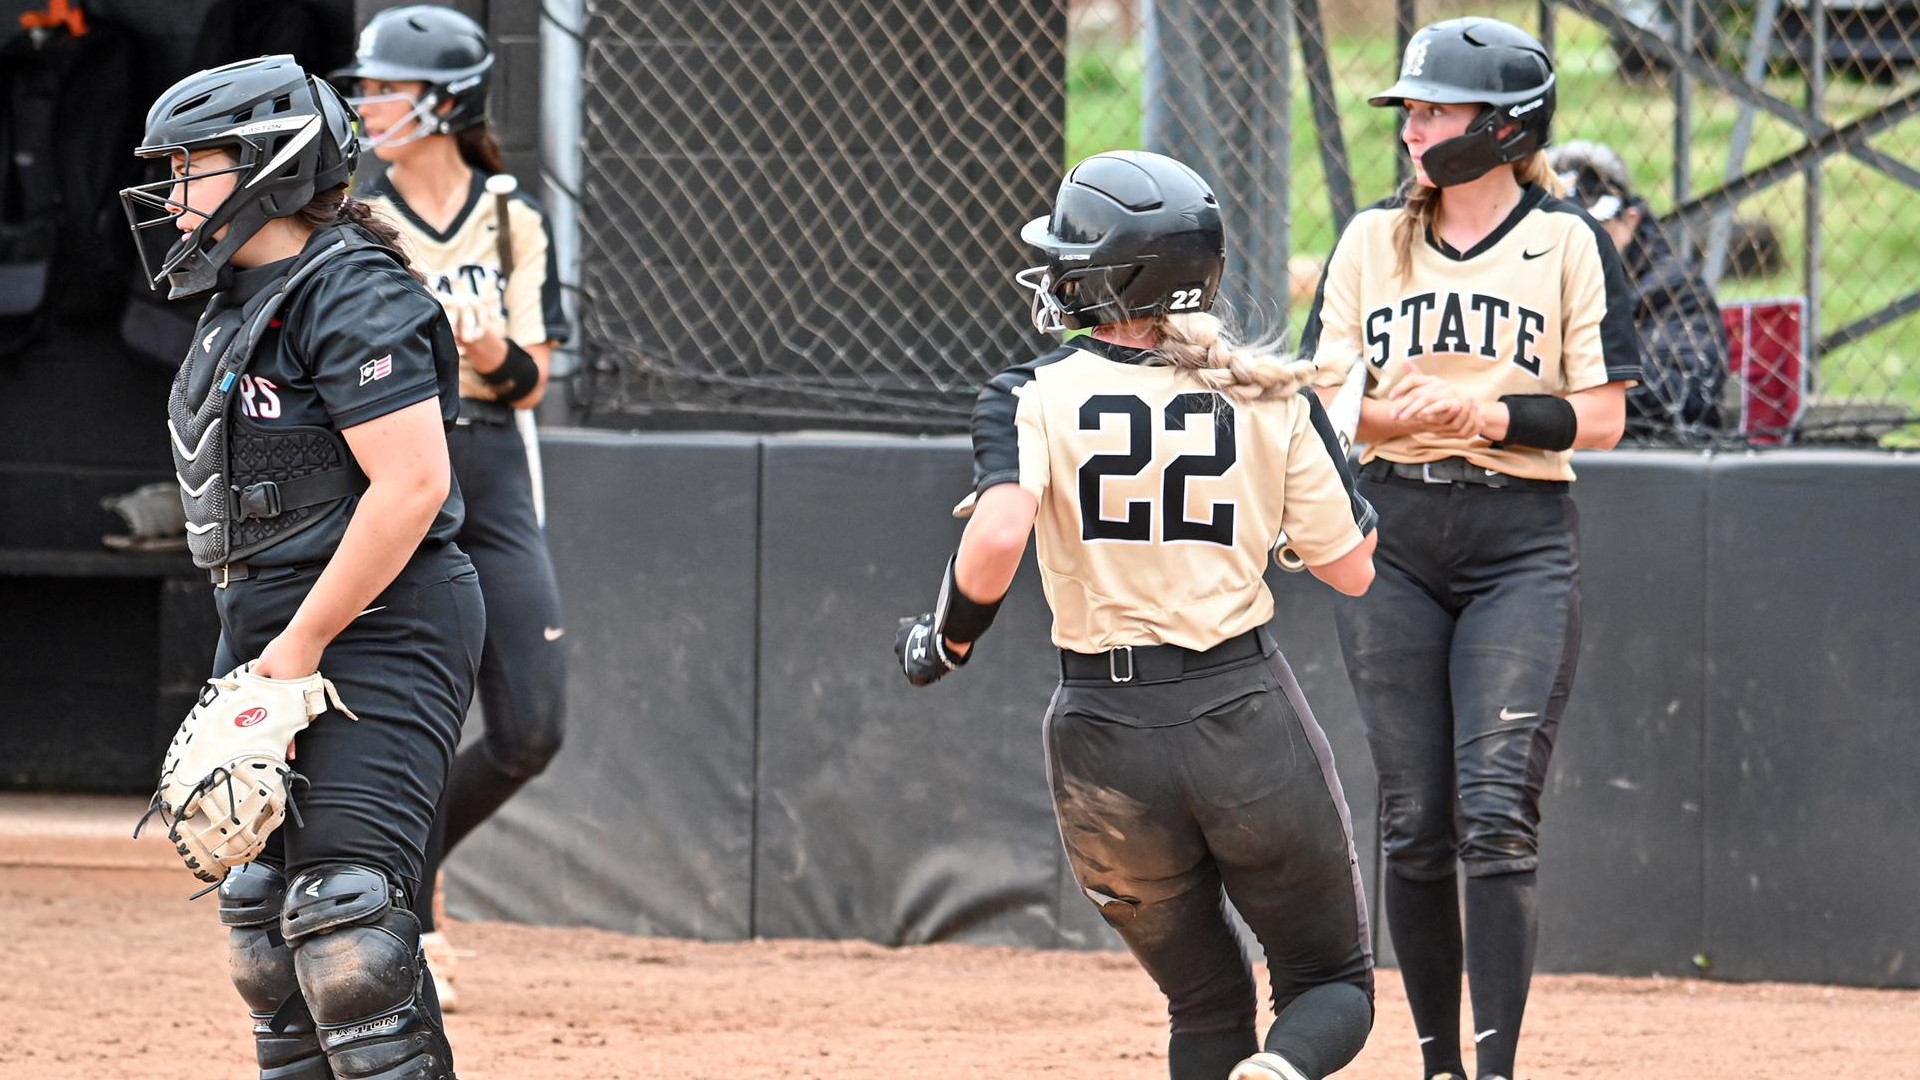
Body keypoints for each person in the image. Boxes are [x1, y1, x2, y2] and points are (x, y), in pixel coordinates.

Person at [895, 150, 1380, 1080]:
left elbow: (996, 539)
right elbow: (1353, 570)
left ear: (1109, 279)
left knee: (1204, 1002)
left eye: (1071, 261)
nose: (1056, 275)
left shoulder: (1029, 393)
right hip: (1241, 712)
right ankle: (1281, 1072)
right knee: (1330, 986)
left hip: (1102, 735)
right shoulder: (1270, 394)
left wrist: (945, 640)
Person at [120, 54, 479, 1080]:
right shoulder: (239, 298)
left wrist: (300, 646)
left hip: (383, 626)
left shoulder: (353, 288)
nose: (173, 193)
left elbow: (412, 485)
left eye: (193, 166)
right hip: (272, 629)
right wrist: (268, 651)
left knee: (346, 929)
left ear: (269, 163)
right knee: (266, 932)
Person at [1299, 18, 1642, 1080]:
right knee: (1414, 821)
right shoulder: (1371, 241)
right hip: (1393, 537)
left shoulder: (1569, 242)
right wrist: (1395, 417)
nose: (1413, 131)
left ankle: (1492, 1074)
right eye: (1408, 112)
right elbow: (1325, 400)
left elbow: (1604, 416)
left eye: (1435, 111)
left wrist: (1486, 415)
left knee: (1495, 816)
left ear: (1504, 128)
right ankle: (1439, 1067)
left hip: (1518, 542)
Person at [334, 4, 572, 1010]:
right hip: (394, 467)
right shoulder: (357, 215)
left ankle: (409, 866)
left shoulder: (511, 218)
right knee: (403, 714)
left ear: (446, 102)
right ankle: (409, 921)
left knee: (532, 728)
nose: (371, 103)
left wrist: (482, 347)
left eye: (390, 88)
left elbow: (532, 380)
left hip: (491, 470)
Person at [1548, 139, 1728, 445]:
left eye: (1593, 229)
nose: (1575, 245)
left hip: (1643, 455)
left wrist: (1571, 367)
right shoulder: (1523, 276)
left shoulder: (1672, 286)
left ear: (1629, 221)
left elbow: (1687, 391)